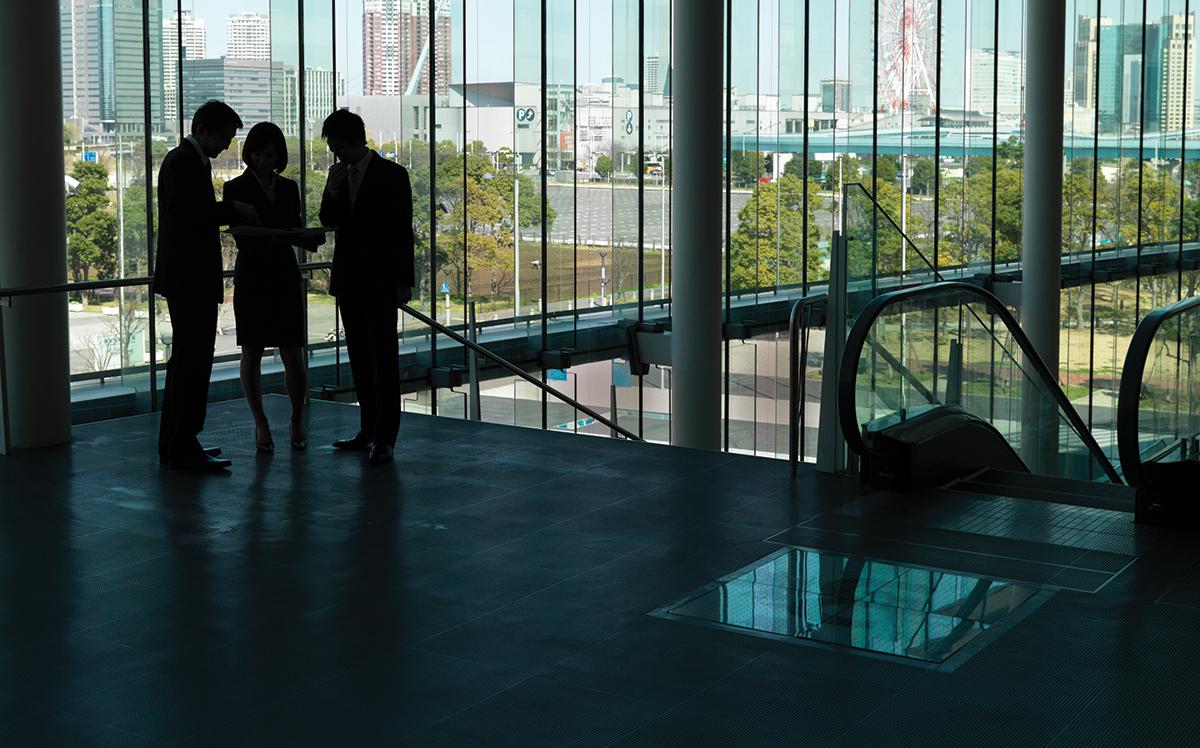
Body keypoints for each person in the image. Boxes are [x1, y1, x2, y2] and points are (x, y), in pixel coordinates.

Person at [155, 100, 257, 472]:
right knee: (191, 363)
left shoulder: (183, 161)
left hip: (186, 278)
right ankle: (181, 445)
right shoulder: (184, 163)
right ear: (203, 131)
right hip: (190, 279)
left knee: (189, 363)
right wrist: (234, 209)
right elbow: (192, 217)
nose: (226, 146)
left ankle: (179, 443)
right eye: (224, 138)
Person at [319, 109, 414, 466]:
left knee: (384, 359)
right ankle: (367, 429)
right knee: (359, 357)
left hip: (380, 281)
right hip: (350, 279)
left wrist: (404, 281)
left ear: (358, 140)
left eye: (340, 147)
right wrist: (332, 187)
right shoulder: (339, 176)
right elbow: (328, 220)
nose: (337, 154)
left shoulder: (392, 175)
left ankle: (386, 437)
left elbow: (403, 232)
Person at [224, 121, 325, 453]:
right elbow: (241, 232)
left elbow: (291, 227)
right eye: (258, 154)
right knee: (252, 351)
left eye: (270, 154)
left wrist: (304, 237)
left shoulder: (289, 187)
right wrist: (287, 235)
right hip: (255, 274)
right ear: (250, 155)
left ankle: (296, 418)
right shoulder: (234, 188)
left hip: (281, 272)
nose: (265, 161)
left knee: (292, 351)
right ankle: (261, 422)